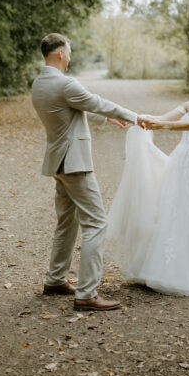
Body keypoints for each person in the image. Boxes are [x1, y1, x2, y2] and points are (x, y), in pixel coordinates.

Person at [30, 33, 140, 311]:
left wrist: (108, 118)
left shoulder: (40, 83)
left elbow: (73, 108)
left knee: (67, 222)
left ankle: (55, 280)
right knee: (96, 223)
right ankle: (87, 294)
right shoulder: (65, 83)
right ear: (60, 53)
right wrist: (135, 117)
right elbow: (96, 101)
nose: (70, 56)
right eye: (68, 51)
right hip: (74, 163)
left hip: (59, 161)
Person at [107, 63, 189, 296]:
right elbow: (161, 118)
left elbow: (186, 125)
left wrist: (163, 125)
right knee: (169, 212)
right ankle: (162, 269)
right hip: (178, 164)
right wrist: (135, 120)